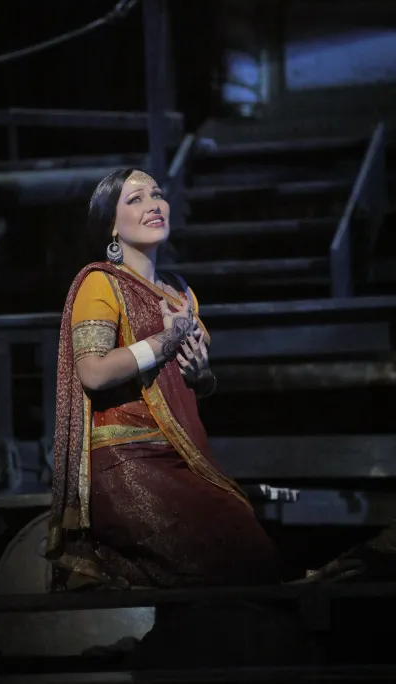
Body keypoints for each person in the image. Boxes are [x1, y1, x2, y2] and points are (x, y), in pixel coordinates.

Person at [46, 167, 279, 590]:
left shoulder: (180, 292)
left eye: (157, 194)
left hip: (180, 457)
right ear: (111, 225)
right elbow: (93, 372)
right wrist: (165, 340)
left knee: (250, 548)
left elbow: (186, 387)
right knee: (227, 556)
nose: (153, 205)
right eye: (135, 199)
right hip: (126, 463)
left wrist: (202, 376)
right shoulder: (100, 283)